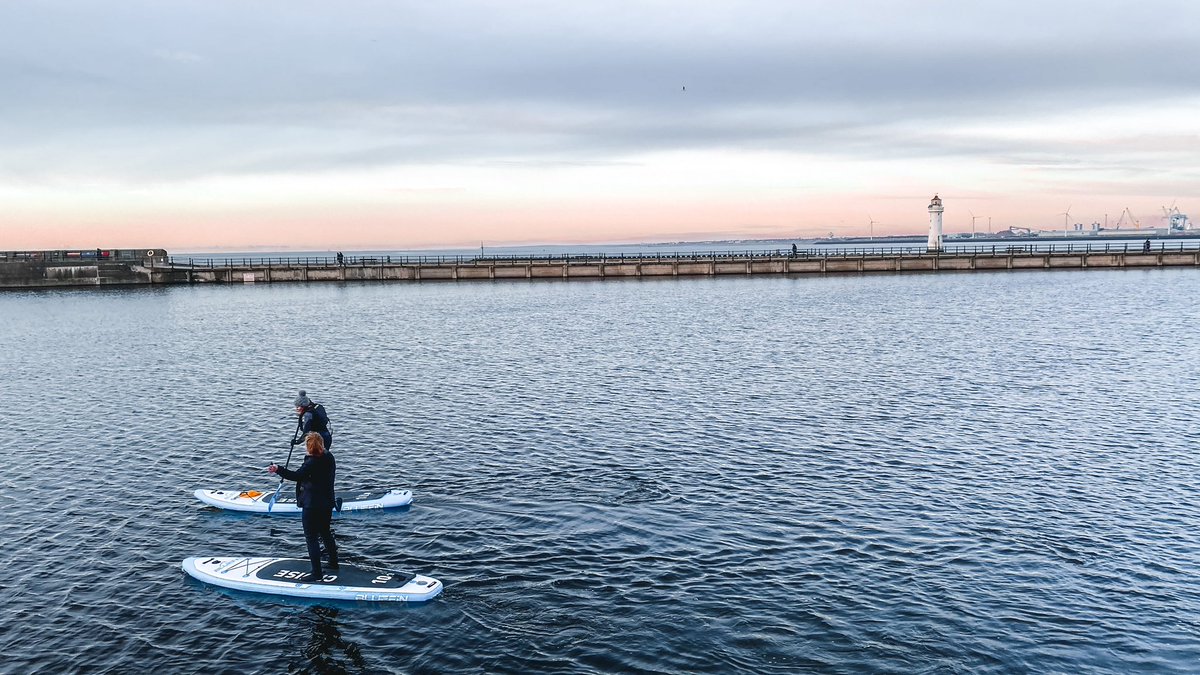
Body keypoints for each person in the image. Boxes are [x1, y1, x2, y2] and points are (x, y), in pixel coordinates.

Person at [269, 432, 338, 579]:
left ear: (308, 447)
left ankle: (316, 573)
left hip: (312, 505)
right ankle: (333, 562)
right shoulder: (329, 457)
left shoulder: (311, 462)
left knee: (311, 537)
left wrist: (278, 469)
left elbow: (296, 476)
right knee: (325, 532)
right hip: (327, 502)